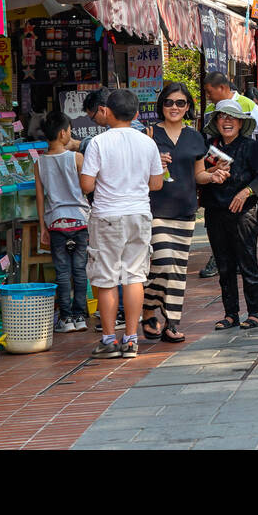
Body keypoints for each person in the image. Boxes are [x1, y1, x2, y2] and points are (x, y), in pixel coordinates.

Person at [79, 89, 164, 359]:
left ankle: (108, 339)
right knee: (134, 277)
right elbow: (156, 184)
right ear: (137, 114)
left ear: (108, 112)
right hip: (139, 214)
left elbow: (86, 185)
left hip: (106, 215)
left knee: (106, 279)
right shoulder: (148, 143)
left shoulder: (98, 143)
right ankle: (130, 339)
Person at [140, 82, 208, 343]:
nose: (174, 107)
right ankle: (148, 310)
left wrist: (213, 176)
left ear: (188, 106)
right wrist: (153, 162)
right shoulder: (148, 134)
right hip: (155, 208)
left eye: (180, 103)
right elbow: (136, 174)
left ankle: (171, 322)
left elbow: (199, 174)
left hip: (185, 210)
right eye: (169, 102)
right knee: (163, 263)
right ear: (161, 105)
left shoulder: (195, 136)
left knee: (178, 270)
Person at [201, 99, 258, 330]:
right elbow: (200, 174)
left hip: (243, 214)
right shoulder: (210, 146)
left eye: (232, 117)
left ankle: (256, 311)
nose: (227, 121)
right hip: (215, 212)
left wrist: (246, 192)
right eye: (222, 116)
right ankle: (230, 313)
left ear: (241, 123)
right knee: (224, 266)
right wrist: (211, 171)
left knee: (247, 261)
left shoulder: (250, 147)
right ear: (216, 121)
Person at [35, 110, 90, 333]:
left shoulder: (39, 163)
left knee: (62, 271)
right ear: (62, 133)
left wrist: (42, 227)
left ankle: (65, 318)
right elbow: (87, 187)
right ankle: (80, 316)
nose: (70, 134)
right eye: (69, 130)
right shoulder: (77, 158)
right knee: (80, 269)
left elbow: (41, 197)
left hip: (56, 222)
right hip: (80, 220)